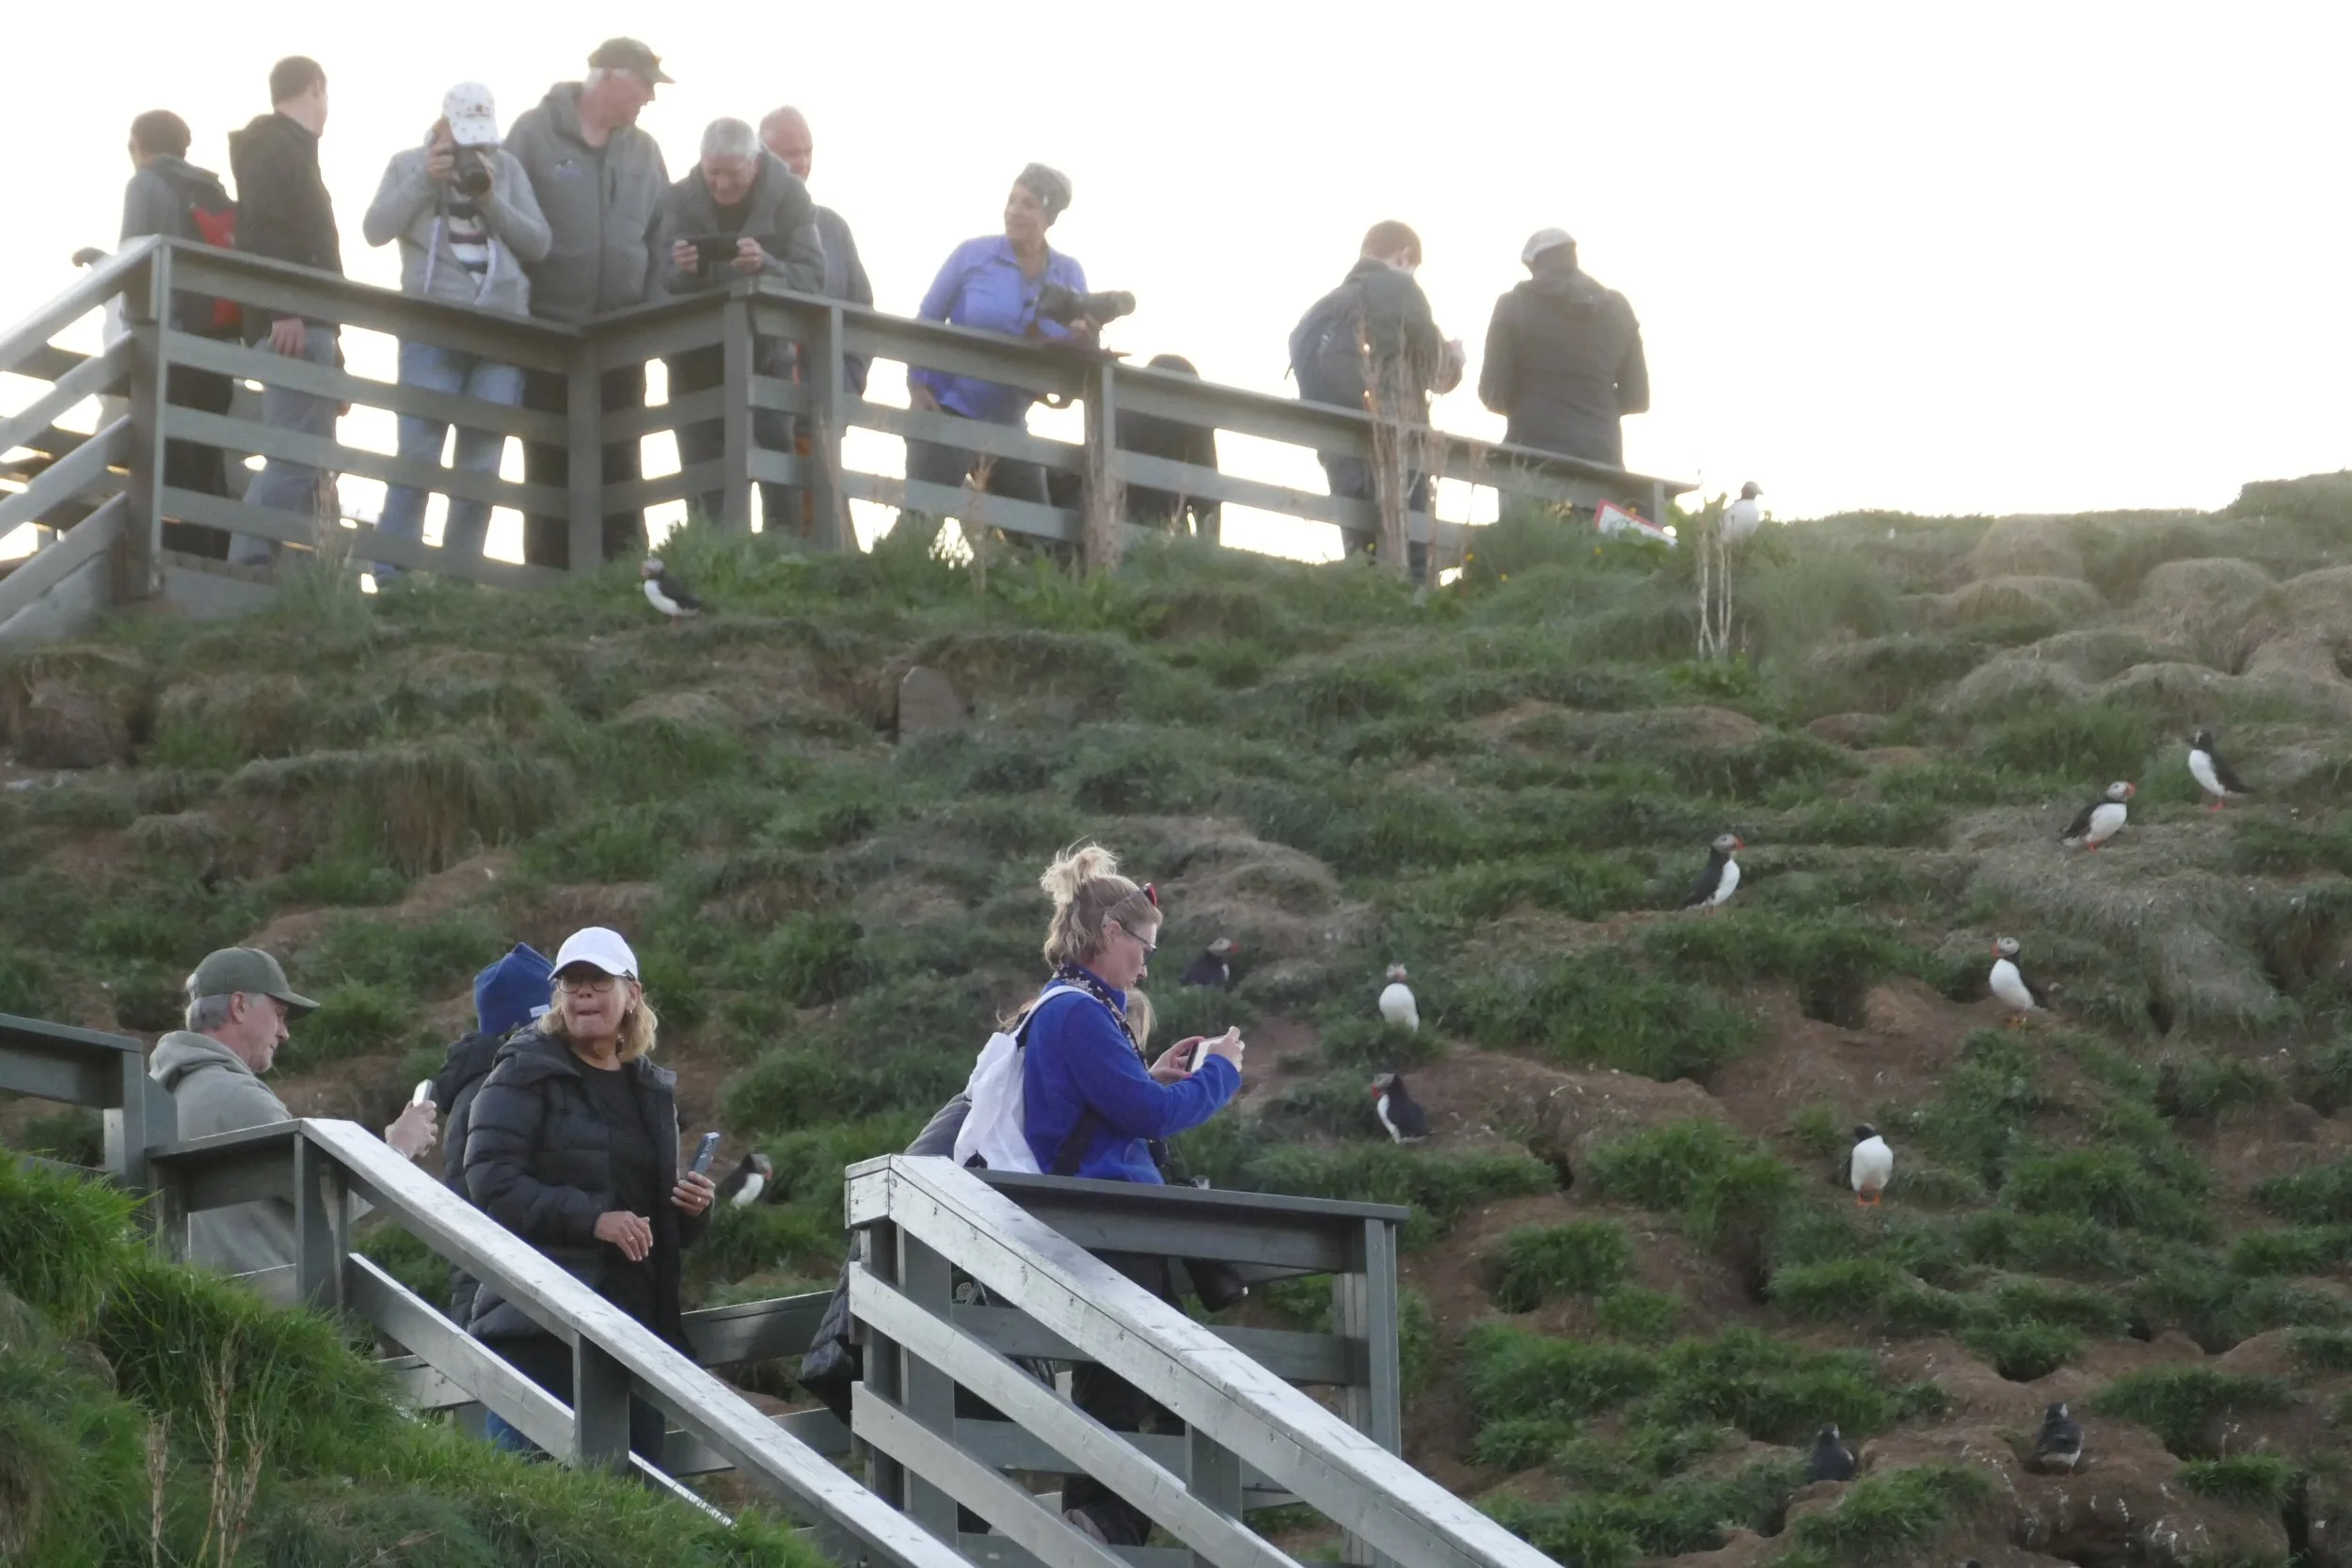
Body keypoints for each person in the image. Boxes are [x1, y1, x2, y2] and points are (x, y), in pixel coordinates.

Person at [1018, 845, 1245, 1545]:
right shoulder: (1081, 1013)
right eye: (1143, 945)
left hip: (1102, 1218)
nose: (1146, 961)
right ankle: (1107, 1526)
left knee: (1124, 1371)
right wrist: (1222, 1076)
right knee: (1132, 1376)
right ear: (1110, 935)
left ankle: (1110, 1523)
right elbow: (1147, 1119)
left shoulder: (1071, 1007)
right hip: (1109, 1220)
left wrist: (1152, 1073)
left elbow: (1108, 1105)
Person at [464, 927, 715, 1465]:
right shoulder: (522, 1071)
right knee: (535, 1510)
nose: (582, 996)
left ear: (633, 994)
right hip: (540, 1324)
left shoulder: (648, 1087)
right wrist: (593, 1220)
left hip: (633, 1327)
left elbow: (645, 1211)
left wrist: (690, 1211)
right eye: (571, 984)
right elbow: (490, 1181)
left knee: (639, 1509)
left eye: (597, 983)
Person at [150, 947, 438, 1276]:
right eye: (279, 1013)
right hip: (261, 1313)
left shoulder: (158, 1095)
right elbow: (330, 1200)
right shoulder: (237, 1097)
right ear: (239, 1006)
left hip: (198, 1308)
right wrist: (399, 1148)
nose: (284, 1033)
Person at [361, 84, 551, 579]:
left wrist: (490, 198)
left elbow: (538, 243)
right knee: (418, 456)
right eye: (464, 138)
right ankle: (392, 577)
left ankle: (457, 583)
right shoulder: (408, 164)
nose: (475, 150)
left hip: (500, 334)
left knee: (481, 467)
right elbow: (375, 229)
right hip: (431, 329)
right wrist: (425, 180)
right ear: (441, 126)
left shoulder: (505, 168)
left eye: (482, 139)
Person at [506, 40, 674, 569]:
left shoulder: (645, 152)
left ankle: (625, 579)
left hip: (623, 339)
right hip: (548, 334)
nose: (649, 97)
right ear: (609, 76)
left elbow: (663, 237)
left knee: (623, 463)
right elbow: (505, 222)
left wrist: (653, 310)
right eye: (644, 84)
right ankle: (549, 583)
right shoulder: (531, 135)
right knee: (548, 463)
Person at [905, 165, 1095, 531]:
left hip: (1009, 421)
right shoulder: (972, 256)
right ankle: (874, 581)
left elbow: (1077, 349)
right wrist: (917, 384)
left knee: (1036, 537)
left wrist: (1084, 338)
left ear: (1048, 216)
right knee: (920, 526)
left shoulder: (1069, 274)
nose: (1012, 211)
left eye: (1026, 204)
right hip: (947, 409)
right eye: (1010, 200)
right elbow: (927, 317)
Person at [657, 118, 824, 529]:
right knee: (701, 470)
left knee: (778, 463)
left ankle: (782, 557)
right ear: (701, 164)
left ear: (755, 163)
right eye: (714, 173)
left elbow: (815, 277)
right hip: (694, 358)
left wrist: (767, 266)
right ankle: (713, 559)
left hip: (768, 352)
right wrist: (683, 271)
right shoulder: (678, 199)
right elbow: (655, 278)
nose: (723, 185)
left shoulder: (790, 197)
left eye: (733, 174)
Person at [1290, 220, 1466, 573]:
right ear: (1405, 256)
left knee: (1361, 556)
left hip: (1338, 449)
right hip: (1394, 443)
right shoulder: (1397, 287)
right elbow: (1435, 371)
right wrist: (1455, 360)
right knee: (1412, 554)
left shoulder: (1326, 306)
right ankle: (1412, 620)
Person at [227, 56, 343, 569]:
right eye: (327, 92)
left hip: (308, 324)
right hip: (294, 324)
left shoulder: (286, 148)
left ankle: (301, 571)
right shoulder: (277, 146)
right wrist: (284, 310)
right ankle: (252, 561)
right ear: (316, 88)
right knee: (298, 456)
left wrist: (332, 343)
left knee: (311, 458)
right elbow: (266, 230)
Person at [115, 108, 238, 558]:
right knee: (206, 457)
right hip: (216, 344)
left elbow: (132, 261)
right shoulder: (209, 187)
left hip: (169, 340)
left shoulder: (144, 182)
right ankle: (215, 554)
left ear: (138, 144)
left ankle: (175, 557)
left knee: (170, 457)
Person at [426, 942, 554, 1323]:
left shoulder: (486, 1087)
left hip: (498, 1302)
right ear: (524, 1025)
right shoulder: (500, 1093)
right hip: (511, 1309)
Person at [1478, 228, 1649, 469]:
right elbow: (1638, 399)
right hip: (1603, 465)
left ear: (1533, 265)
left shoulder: (1514, 305)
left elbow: (1492, 393)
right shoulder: (1619, 309)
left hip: (1530, 466)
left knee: (1527, 510)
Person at [759, 106, 873, 397]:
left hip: (823, 411)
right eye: (791, 153)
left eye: (807, 152)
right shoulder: (740, 224)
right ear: (760, 158)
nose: (803, 162)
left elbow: (862, 310)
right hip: (756, 406)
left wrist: (849, 380)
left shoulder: (833, 229)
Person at [1119, 354, 1221, 541]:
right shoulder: (1196, 426)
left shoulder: (1125, 413)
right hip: (1155, 523)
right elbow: (1208, 502)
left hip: (1137, 521)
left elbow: (1208, 498)